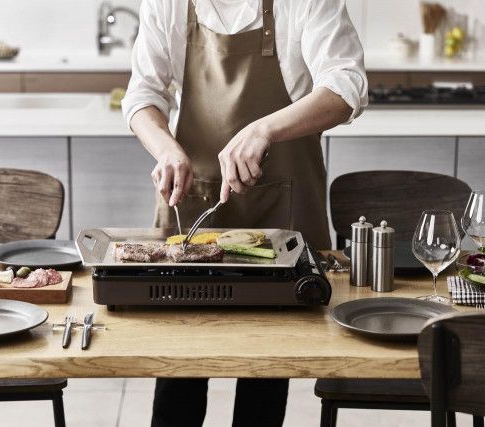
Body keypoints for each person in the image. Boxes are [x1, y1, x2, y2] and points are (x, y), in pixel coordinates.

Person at [122, 0, 368, 425]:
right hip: (197, 200)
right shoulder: (167, 4)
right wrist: (165, 148)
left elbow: (347, 88)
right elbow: (143, 95)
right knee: (181, 364)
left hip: (283, 206)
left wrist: (263, 129)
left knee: (267, 372)